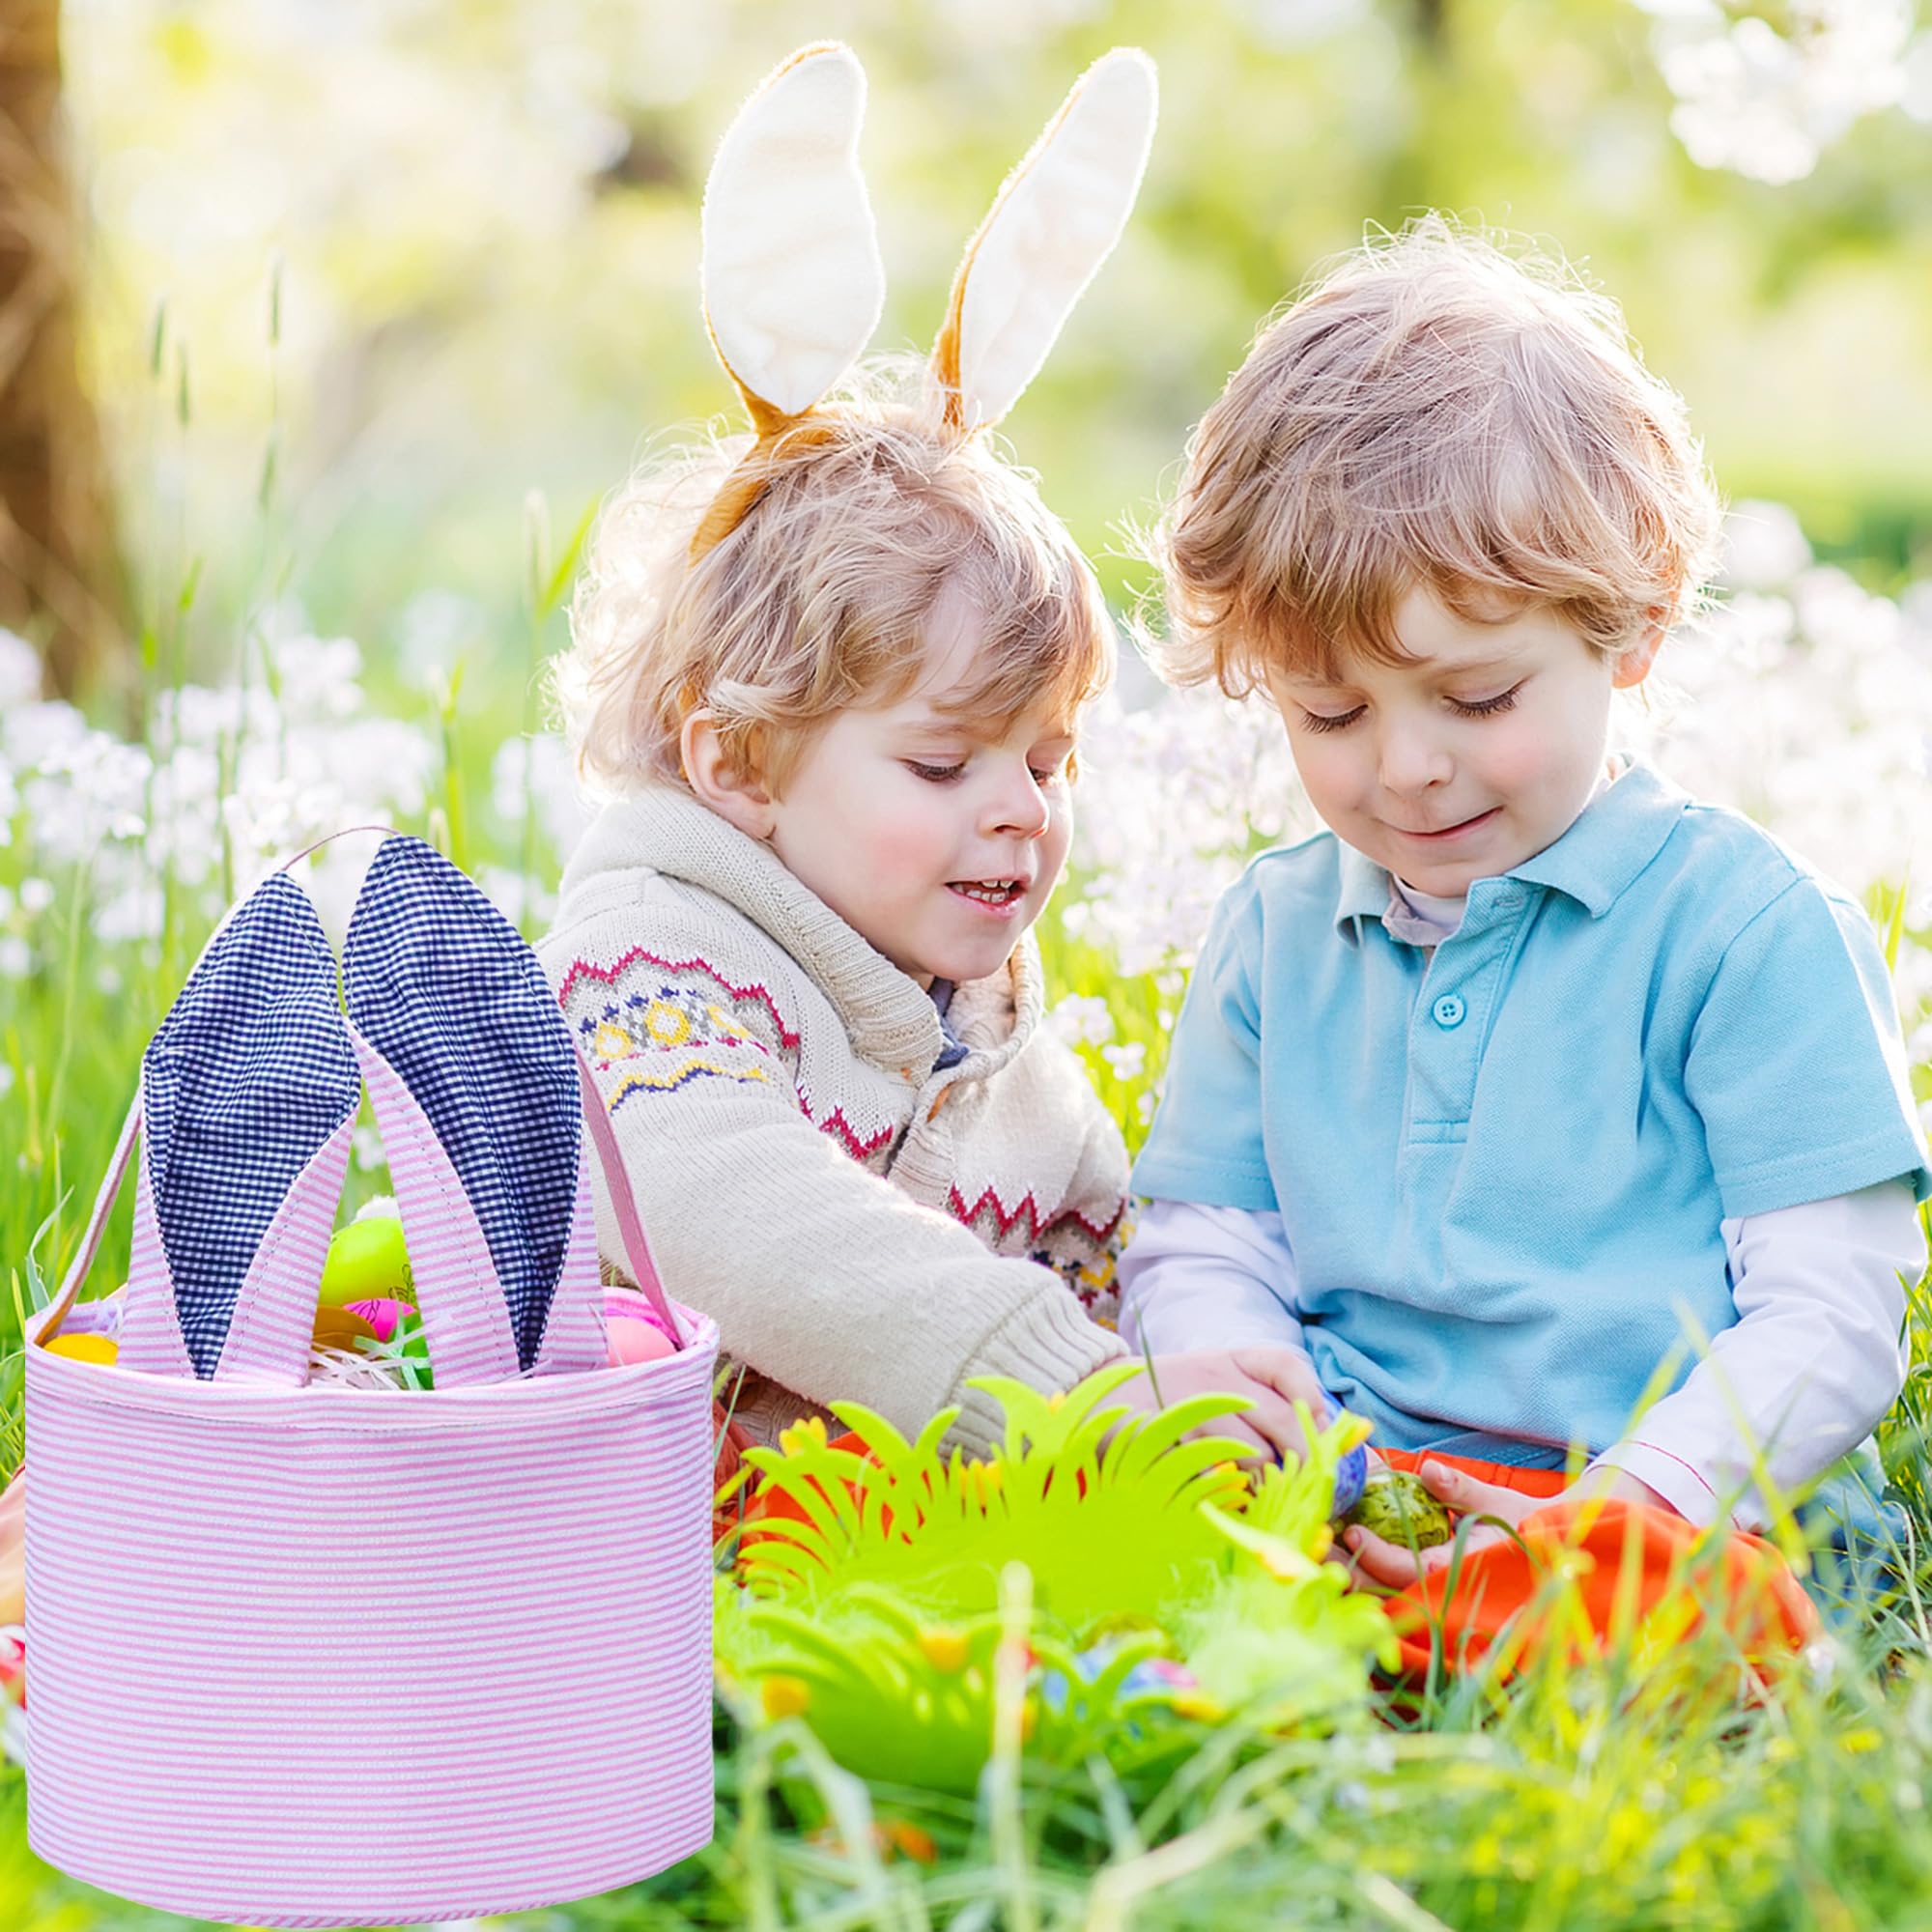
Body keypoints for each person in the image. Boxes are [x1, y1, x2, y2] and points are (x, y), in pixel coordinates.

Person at [1120, 218, 1930, 1665]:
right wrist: (1217, 1361)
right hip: (1372, 1503)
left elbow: (1828, 1324)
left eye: (1478, 699)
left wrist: (1623, 1512)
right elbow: (1207, 1233)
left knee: (1702, 1631)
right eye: (1332, 715)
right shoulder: (1280, 930)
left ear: (1634, 625)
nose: (1408, 769)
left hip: (1676, 1508)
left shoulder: (1743, 936)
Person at [537, 42, 1325, 1468]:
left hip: (869, 1551)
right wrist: (1075, 1399)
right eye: (944, 765)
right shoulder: (650, 964)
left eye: (1048, 758)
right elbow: (731, 1208)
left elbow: (1105, 1251)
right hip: (623, 1540)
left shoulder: (990, 1023)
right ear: (738, 766)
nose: (1021, 811)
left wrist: (1193, 1373)